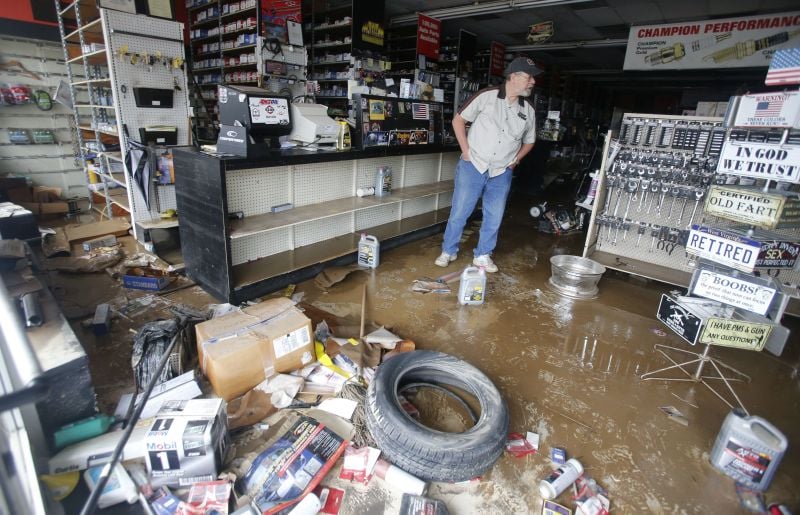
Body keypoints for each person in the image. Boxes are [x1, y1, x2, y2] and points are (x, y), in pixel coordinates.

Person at [435, 56, 541, 272]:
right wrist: (465, 151)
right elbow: (458, 120)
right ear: (514, 76)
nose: (533, 82)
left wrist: (516, 160)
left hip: (502, 171)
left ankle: (482, 255)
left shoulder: (528, 110)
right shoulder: (487, 96)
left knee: (494, 216)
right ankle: (449, 250)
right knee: (460, 212)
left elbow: (530, 141)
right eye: (530, 77)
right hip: (474, 165)